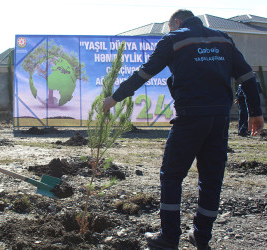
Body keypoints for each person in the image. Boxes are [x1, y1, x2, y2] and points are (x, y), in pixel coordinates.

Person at [103, 9, 264, 250]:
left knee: (171, 176)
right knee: (211, 179)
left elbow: (145, 73)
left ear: (176, 23)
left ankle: (168, 237)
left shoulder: (173, 39)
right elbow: (248, 76)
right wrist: (255, 113)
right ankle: (201, 237)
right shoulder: (223, 39)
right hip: (219, 119)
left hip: (190, 117)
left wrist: (114, 98)